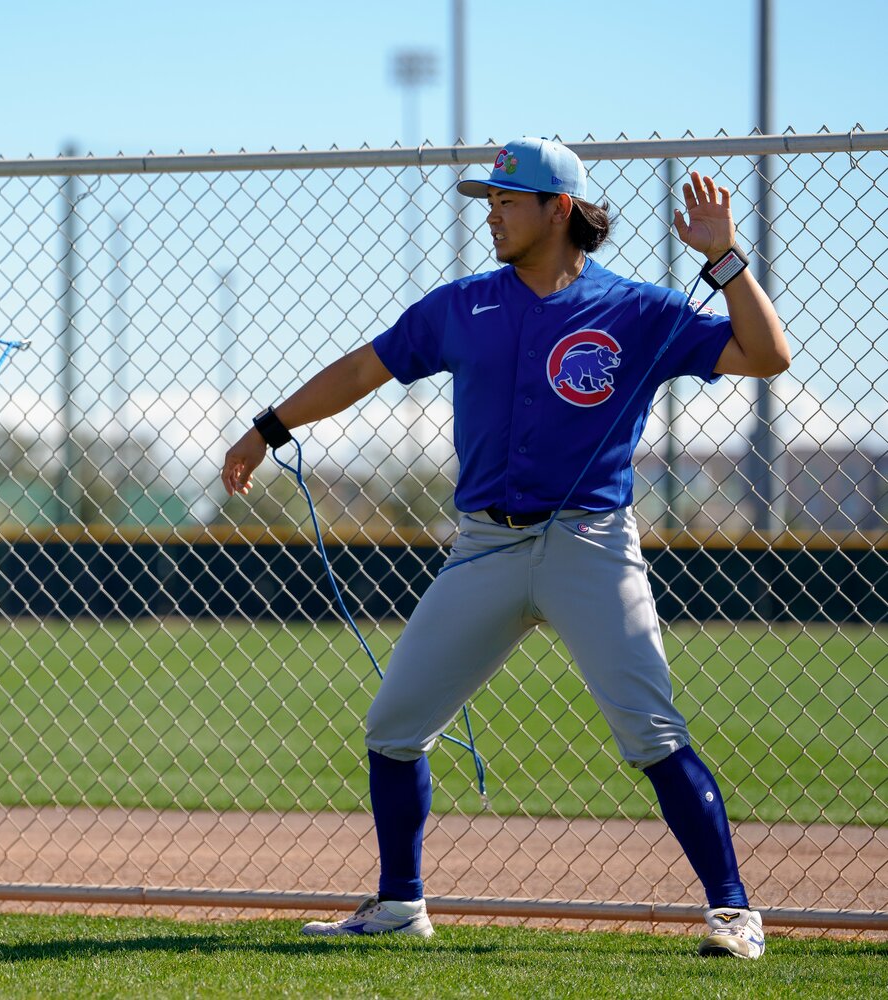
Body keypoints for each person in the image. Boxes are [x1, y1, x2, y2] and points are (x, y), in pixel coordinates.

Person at [222, 137, 788, 959]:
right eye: (487, 200)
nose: (490, 212)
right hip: (485, 545)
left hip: (591, 541)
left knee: (653, 735)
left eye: (506, 200)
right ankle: (398, 901)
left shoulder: (636, 309)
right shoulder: (462, 305)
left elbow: (768, 356)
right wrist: (268, 429)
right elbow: (363, 369)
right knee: (395, 724)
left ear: (559, 210)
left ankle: (734, 912)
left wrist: (727, 259)